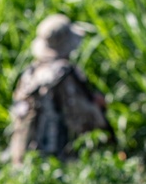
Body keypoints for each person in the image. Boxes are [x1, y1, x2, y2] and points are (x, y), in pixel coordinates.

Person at [8, 14, 112, 166]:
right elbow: (81, 116)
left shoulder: (30, 73)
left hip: (23, 154)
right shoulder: (63, 75)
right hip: (57, 155)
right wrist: (99, 108)